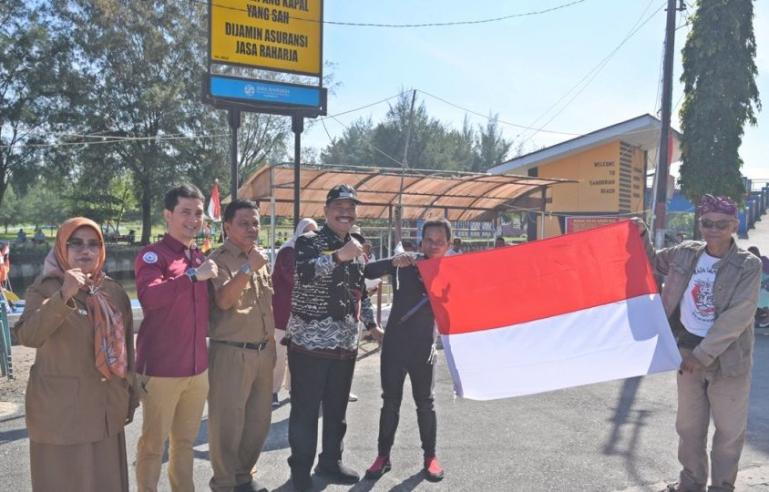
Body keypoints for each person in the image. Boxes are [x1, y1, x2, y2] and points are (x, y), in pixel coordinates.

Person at [635, 195, 761, 492]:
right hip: (686, 352)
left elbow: (739, 314)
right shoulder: (685, 253)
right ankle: (691, 483)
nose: (713, 229)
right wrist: (640, 233)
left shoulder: (748, 265)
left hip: (729, 360)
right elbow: (650, 261)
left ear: (734, 225)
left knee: (729, 432)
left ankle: (721, 487)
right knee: (689, 428)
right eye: (706, 222)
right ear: (699, 223)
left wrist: (703, 355)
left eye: (721, 223)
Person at [13, 217, 136, 492]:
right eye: (76, 243)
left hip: (106, 409)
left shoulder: (113, 291)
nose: (86, 251)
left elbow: (127, 349)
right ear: (62, 248)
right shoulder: (45, 287)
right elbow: (27, 336)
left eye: (94, 244)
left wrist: (130, 395)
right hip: (62, 417)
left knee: (107, 482)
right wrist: (64, 295)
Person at [285, 184, 382, 491]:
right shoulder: (308, 241)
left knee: (337, 409)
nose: (345, 212)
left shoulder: (357, 245)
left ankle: (330, 462)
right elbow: (305, 273)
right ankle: (299, 471)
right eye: (339, 207)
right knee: (305, 409)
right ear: (326, 211)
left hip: (344, 343)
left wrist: (372, 323)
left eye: (351, 208)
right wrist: (339, 256)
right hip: (309, 342)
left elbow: (360, 290)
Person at [134, 184, 218, 492]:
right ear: (168, 215)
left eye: (198, 213)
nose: (194, 219)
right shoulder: (153, 255)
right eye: (185, 212)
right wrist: (193, 276)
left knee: (184, 443)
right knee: (153, 446)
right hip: (162, 369)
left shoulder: (197, 256)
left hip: (197, 369)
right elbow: (150, 298)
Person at [363, 218, 450, 483]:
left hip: (424, 348)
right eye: (428, 240)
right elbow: (367, 272)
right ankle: (382, 456)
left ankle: (430, 457)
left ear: (449, 244)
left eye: (439, 241)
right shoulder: (406, 263)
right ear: (421, 241)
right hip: (395, 345)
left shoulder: (452, 271)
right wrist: (393, 261)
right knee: (390, 402)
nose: (433, 246)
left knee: (426, 404)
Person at [207, 199, 274, 492]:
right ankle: (223, 484)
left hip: (263, 351)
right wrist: (248, 268)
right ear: (227, 227)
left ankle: (243, 477)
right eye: (244, 223)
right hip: (231, 352)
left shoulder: (258, 258)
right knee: (227, 424)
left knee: (258, 421)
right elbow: (223, 301)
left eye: (256, 223)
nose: (252, 228)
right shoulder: (218, 259)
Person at [271, 217, 319, 407]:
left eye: (314, 232)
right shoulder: (288, 251)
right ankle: (272, 391)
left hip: (301, 313)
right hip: (283, 313)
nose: (311, 235)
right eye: (307, 230)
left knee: (298, 354)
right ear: (299, 231)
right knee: (280, 354)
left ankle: (292, 388)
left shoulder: (311, 252)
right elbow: (295, 278)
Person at [747, 246, 769, 327]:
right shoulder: (748, 263)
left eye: (754, 253)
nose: (752, 255)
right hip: (756, 286)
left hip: (765, 286)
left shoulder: (764, 261)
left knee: (761, 296)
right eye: (750, 254)